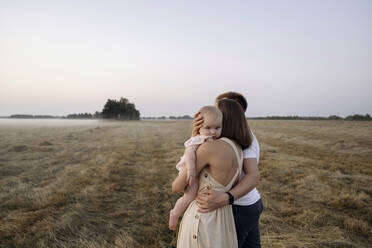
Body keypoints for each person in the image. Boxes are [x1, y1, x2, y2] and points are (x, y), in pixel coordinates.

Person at [172, 99, 252, 248]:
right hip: (225, 218)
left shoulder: (209, 148)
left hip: (203, 216)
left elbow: (176, 187)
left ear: (223, 119)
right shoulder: (239, 149)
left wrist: (195, 138)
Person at [194, 92, 263, 248]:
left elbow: (253, 175)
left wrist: (226, 198)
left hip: (238, 207)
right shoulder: (233, 135)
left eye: (218, 109)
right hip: (250, 203)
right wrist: (197, 132)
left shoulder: (241, 137)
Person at [169, 106, 223, 230]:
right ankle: (175, 213)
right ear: (199, 127)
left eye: (217, 128)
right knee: (189, 196)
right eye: (208, 128)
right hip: (190, 171)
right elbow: (189, 154)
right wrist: (191, 171)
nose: (213, 132)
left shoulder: (216, 139)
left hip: (198, 172)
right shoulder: (197, 139)